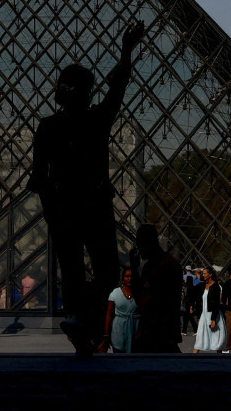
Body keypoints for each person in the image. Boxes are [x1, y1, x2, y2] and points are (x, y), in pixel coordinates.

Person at [28, 20, 144, 357]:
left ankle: (78, 318)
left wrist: (52, 207)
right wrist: (126, 48)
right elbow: (119, 85)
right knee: (106, 267)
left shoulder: (48, 126)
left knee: (72, 269)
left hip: (63, 208)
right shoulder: (97, 119)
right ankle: (89, 320)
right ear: (88, 90)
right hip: (95, 205)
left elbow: (38, 177)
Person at [131, 224, 182, 353]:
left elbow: (143, 300)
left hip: (157, 333)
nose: (139, 248)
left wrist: (134, 269)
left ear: (147, 242)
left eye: (139, 243)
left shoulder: (164, 266)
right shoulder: (166, 264)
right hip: (159, 331)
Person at [101, 267, 138, 353]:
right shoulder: (115, 293)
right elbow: (109, 314)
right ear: (123, 278)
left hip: (135, 328)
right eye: (127, 276)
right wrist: (106, 334)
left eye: (131, 276)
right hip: (119, 330)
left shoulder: (140, 293)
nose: (129, 279)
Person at [193, 267, 226, 353]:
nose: (203, 275)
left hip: (213, 314)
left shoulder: (216, 287)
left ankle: (220, 360)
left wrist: (213, 319)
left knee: (216, 337)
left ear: (210, 274)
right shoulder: (202, 286)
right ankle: (192, 358)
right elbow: (199, 302)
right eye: (202, 273)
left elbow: (216, 304)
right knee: (200, 337)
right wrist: (199, 316)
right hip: (204, 315)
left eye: (205, 273)